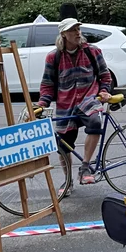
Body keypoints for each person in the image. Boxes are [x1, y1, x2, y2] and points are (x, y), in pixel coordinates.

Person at [38, 18, 112, 185]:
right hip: (66, 105)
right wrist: (42, 103)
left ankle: (85, 166)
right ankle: (68, 181)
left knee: (95, 122)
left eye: (78, 29)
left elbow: (105, 76)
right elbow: (47, 85)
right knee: (63, 146)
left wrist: (104, 91)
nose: (77, 32)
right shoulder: (53, 57)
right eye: (72, 30)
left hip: (89, 101)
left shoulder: (92, 51)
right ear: (63, 34)